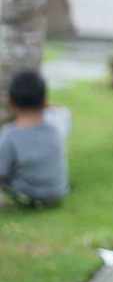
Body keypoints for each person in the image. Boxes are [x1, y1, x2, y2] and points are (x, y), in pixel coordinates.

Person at [0, 71, 68, 208]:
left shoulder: (10, 135)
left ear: (11, 103)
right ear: (45, 101)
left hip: (28, 196)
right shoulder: (55, 129)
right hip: (56, 194)